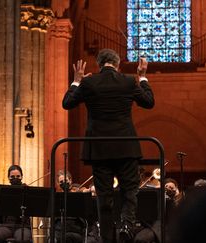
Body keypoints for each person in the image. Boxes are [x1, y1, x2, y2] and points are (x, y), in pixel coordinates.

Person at [62, 49, 154, 242]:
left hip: (99, 149)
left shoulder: (89, 82)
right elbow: (148, 102)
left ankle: (106, 237)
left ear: (99, 64)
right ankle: (127, 226)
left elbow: (67, 103)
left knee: (104, 195)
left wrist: (77, 80)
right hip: (125, 147)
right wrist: (143, 77)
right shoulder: (129, 81)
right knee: (130, 189)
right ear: (118, 64)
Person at [0, 165, 32, 243]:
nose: (15, 178)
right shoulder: (4, 190)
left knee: (23, 239)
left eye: (18, 176)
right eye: (12, 177)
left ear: (22, 177)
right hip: (6, 226)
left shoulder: (26, 190)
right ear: (8, 178)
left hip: (22, 226)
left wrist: (28, 192)